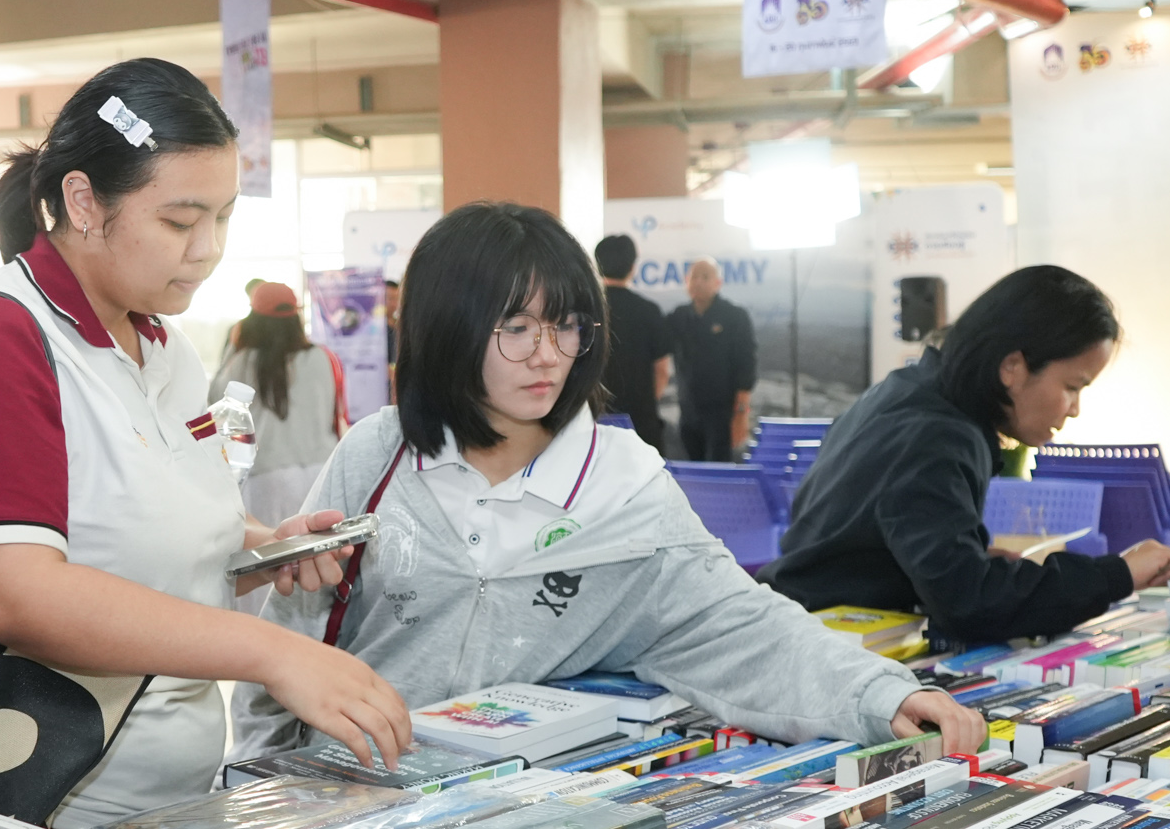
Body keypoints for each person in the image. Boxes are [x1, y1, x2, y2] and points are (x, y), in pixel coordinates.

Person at [234, 203, 983, 760]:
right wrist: (253, 786)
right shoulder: (379, 453)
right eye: (516, 328)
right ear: (447, 328)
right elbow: (291, 635)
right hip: (348, 794)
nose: (548, 355)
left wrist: (879, 693)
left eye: (567, 325)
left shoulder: (622, 486)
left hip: (507, 820)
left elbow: (740, 624)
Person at [0, 57, 410, 827]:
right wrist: (272, 652)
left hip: (170, 798)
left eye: (223, 217)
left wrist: (263, 546)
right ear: (83, 202)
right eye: (179, 221)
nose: (207, 249)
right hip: (47, 807)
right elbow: (15, 594)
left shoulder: (165, 349)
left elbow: (137, 537)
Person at [761, 265, 1170, 642]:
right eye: (1072, 387)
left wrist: (974, 561)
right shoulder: (938, 435)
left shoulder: (907, 394)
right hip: (830, 647)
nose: (1074, 409)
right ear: (1012, 367)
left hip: (809, 628)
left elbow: (875, 547)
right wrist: (1118, 575)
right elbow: (969, 603)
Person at [216, 281, 346, 528]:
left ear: (253, 319)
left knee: (275, 547)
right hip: (321, 468)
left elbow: (216, 403)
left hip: (268, 473)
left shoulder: (243, 361)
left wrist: (235, 344)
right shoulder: (321, 356)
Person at [669, 259, 757, 460]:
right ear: (686, 281)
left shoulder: (735, 316)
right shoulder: (678, 316)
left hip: (723, 413)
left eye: (705, 277)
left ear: (718, 283)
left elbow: (747, 366)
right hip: (688, 411)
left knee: (718, 470)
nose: (698, 282)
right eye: (694, 277)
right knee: (692, 471)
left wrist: (741, 413)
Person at [592, 233, 669, 451]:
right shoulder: (649, 311)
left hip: (593, 419)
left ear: (597, 266)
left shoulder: (584, 310)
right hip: (640, 422)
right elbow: (662, 371)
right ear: (633, 267)